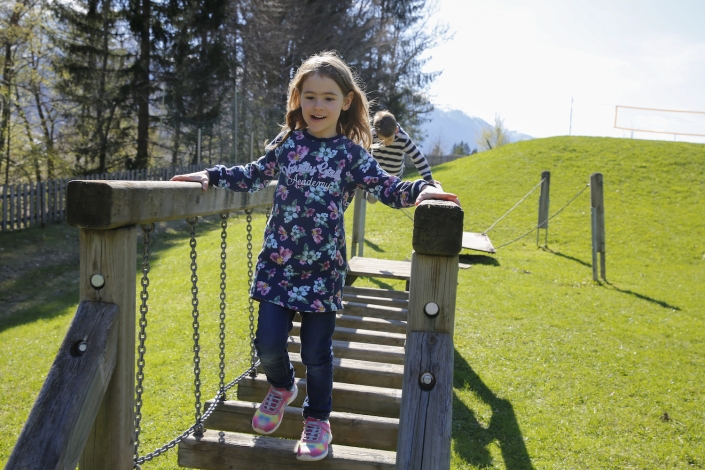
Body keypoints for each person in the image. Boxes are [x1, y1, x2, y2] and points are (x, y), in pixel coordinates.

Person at [171, 51, 459, 462]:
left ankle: (318, 418)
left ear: (346, 102)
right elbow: (253, 173)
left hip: (322, 271)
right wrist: (211, 175)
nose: (317, 105)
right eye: (309, 96)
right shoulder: (288, 145)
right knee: (267, 343)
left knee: (316, 353)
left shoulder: (350, 155)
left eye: (327, 97)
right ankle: (282, 386)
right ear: (298, 100)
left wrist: (421, 191)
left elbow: (385, 185)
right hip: (278, 266)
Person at [365, 110, 435, 203]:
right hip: (378, 176)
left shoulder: (403, 139)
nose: (386, 143)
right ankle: (366, 192)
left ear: (396, 130)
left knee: (396, 201)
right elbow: (361, 150)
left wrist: (428, 178)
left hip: (394, 178)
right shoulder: (373, 135)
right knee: (371, 200)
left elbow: (417, 156)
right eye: (382, 140)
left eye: (389, 139)